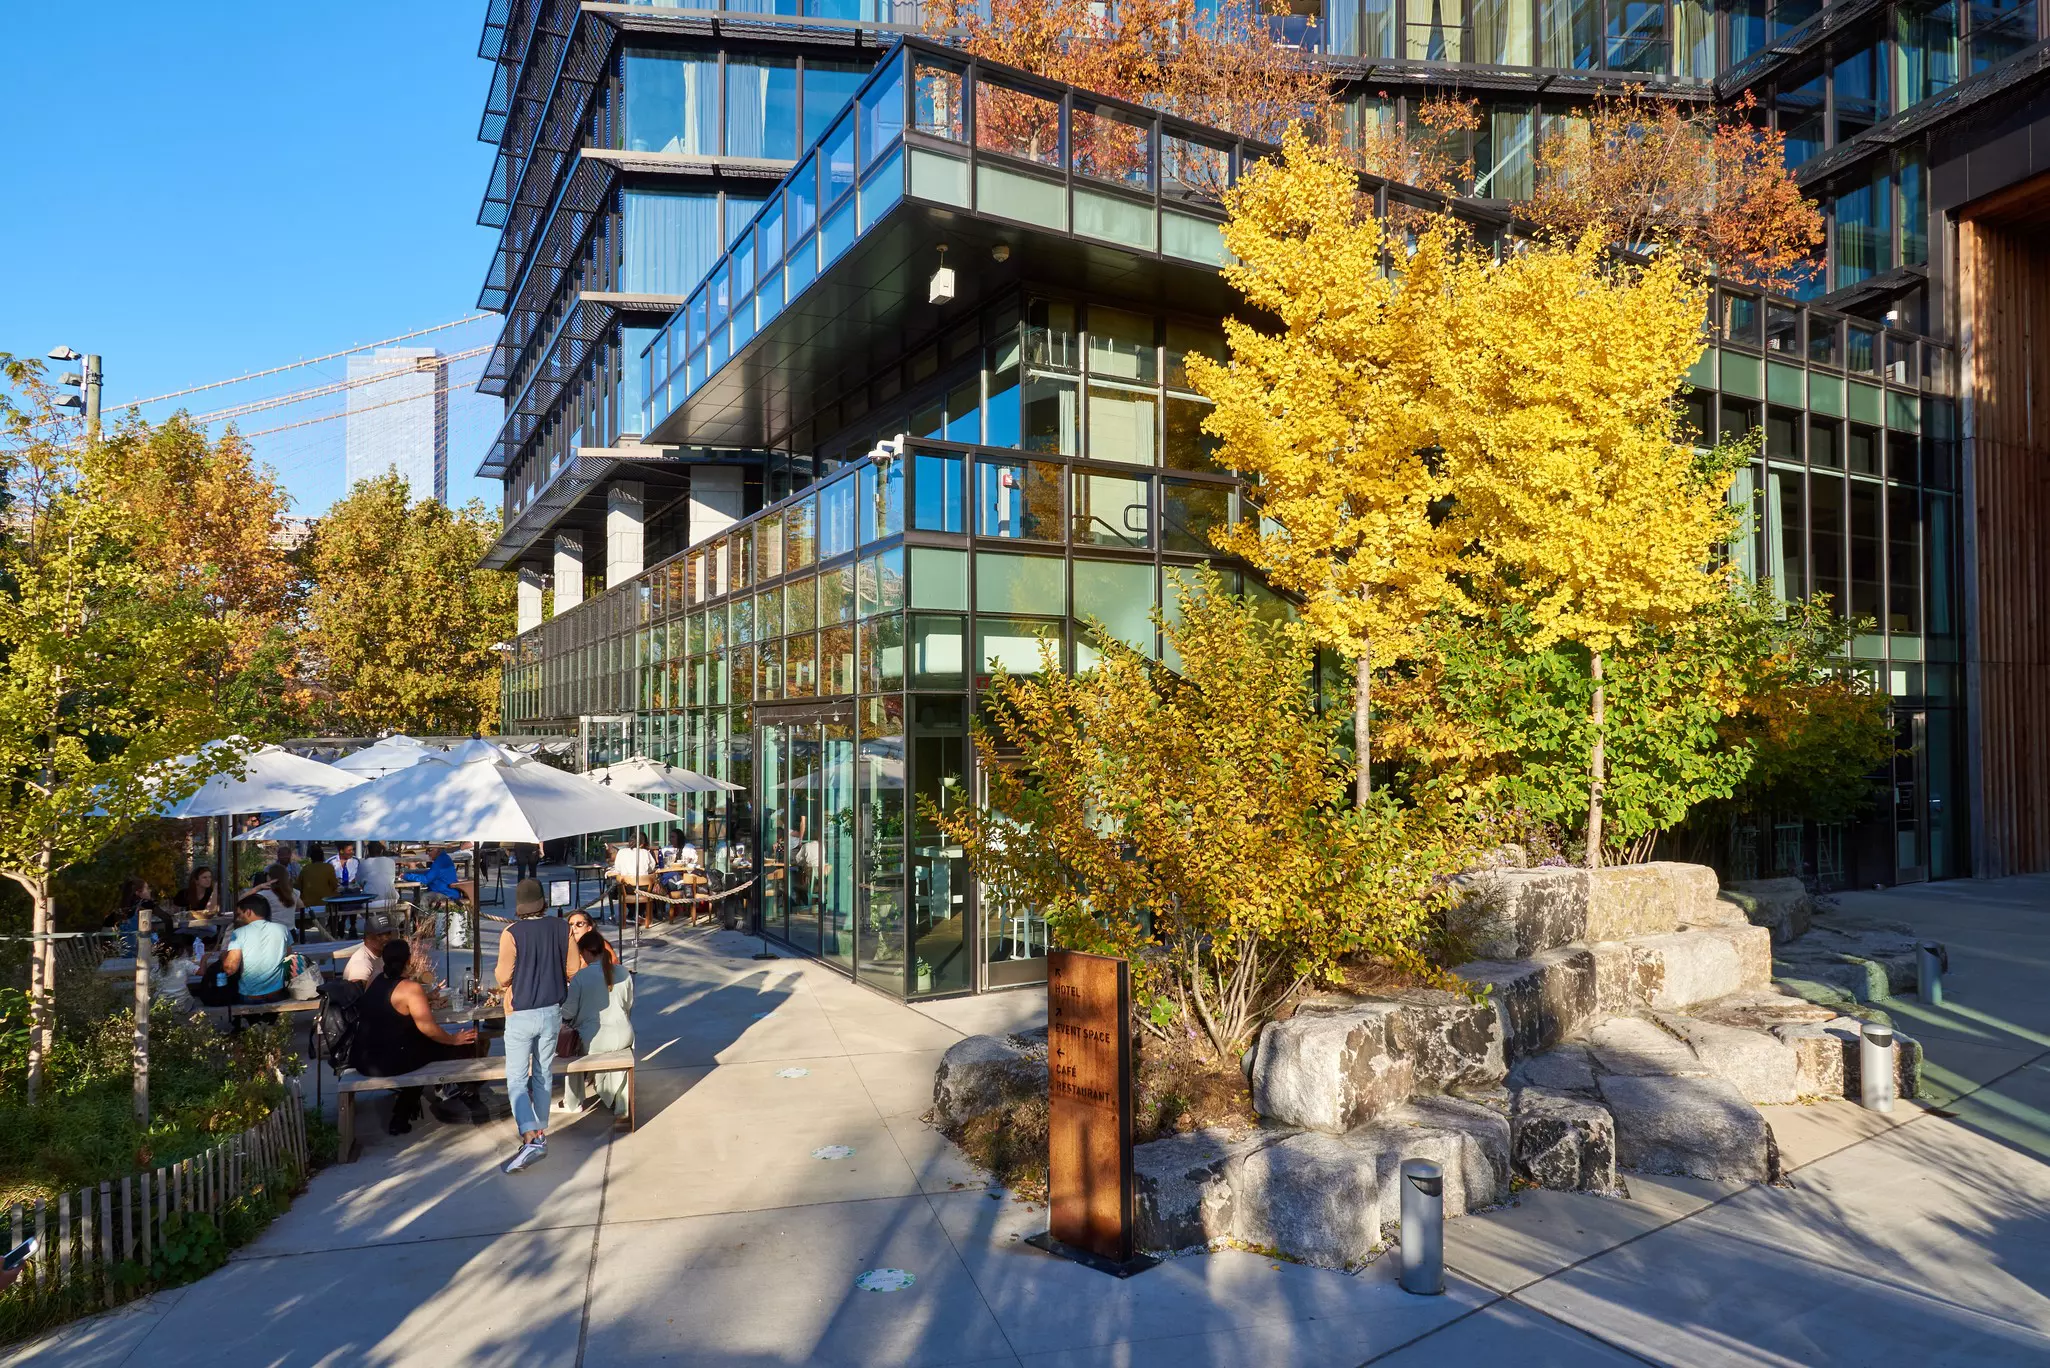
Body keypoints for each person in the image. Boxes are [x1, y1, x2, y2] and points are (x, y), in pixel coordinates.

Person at [353, 938, 480, 1135]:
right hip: (388, 1062)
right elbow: (428, 1029)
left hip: (363, 1057)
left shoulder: (375, 979)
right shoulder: (410, 988)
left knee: (421, 1051)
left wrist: (426, 998)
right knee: (450, 1045)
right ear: (409, 960)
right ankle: (465, 1092)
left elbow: (390, 1005)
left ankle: (401, 1116)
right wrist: (454, 1039)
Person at [494, 878, 570, 1174]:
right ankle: (541, 1133)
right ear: (543, 901)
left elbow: (502, 977)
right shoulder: (561, 928)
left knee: (515, 1078)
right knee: (542, 1074)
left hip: (520, 1011)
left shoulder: (511, 933)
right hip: (551, 1009)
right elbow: (573, 968)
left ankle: (529, 1136)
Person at [562, 929, 634, 1119]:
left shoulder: (580, 978)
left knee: (572, 1047)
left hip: (595, 1039)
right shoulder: (623, 972)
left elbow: (568, 1012)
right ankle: (620, 1102)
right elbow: (628, 1006)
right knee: (606, 1045)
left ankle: (573, 1101)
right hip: (624, 1035)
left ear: (585, 952)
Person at [220, 894, 291, 1004]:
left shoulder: (239, 933)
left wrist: (224, 956)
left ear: (248, 912)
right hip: (277, 993)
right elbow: (288, 958)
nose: (239, 918)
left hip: (250, 995)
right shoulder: (283, 929)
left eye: (240, 914)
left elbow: (230, 968)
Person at [155, 933, 204, 1016]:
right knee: (191, 999)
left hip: (163, 1005)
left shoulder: (159, 965)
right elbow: (202, 972)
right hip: (182, 1005)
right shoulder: (184, 963)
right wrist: (204, 959)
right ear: (181, 950)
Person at [343, 913, 397, 984]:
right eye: (379, 935)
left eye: (388, 933)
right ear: (367, 938)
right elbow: (356, 993)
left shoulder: (382, 954)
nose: (386, 938)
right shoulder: (362, 964)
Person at [298, 843, 339, 927]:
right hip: (325, 905)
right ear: (323, 857)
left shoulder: (305, 869)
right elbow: (334, 885)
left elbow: (298, 887)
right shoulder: (328, 867)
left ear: (311, 858)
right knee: (339, 900)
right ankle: (333, 927)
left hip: (307, 905)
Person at [360, 842, 399, 907]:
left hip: (371, 902)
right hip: (391, 900)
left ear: (368, 851)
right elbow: (392, 879)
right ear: (381, 851)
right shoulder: (391, 861)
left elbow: (360, 882)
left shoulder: (363, 863)